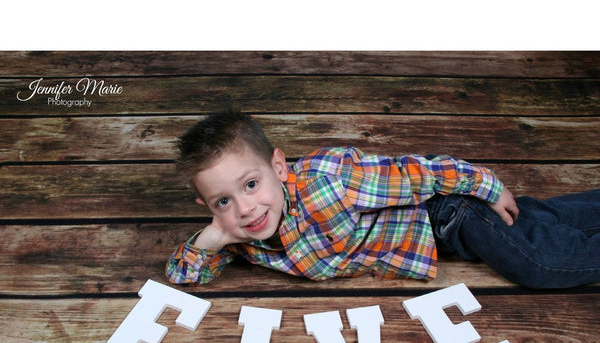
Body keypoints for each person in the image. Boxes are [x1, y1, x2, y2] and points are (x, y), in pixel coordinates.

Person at [166, 110, 600, 289]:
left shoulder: (330, 182)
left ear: (279, 168)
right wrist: (213, 238)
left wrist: (485, 185)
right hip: (448, 231)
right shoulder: (241, 233)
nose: (244, 209)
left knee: (542, 262)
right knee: (549, 219)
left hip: (447, 214)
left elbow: (415, 173)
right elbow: (183, 274)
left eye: (250, 185)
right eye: (222, 202)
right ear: (207, 207)